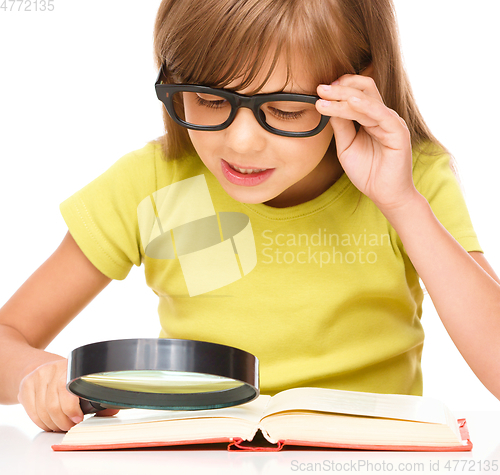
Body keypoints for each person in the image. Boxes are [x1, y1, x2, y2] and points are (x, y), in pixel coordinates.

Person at [1, 0, 499, 433]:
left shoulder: (412, 180)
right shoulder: (151, 182)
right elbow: (9, 336)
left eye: (284, 110)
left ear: (358, 89)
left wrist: (401, 204)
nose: (240, 143)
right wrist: (33, 374)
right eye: (211, 100)